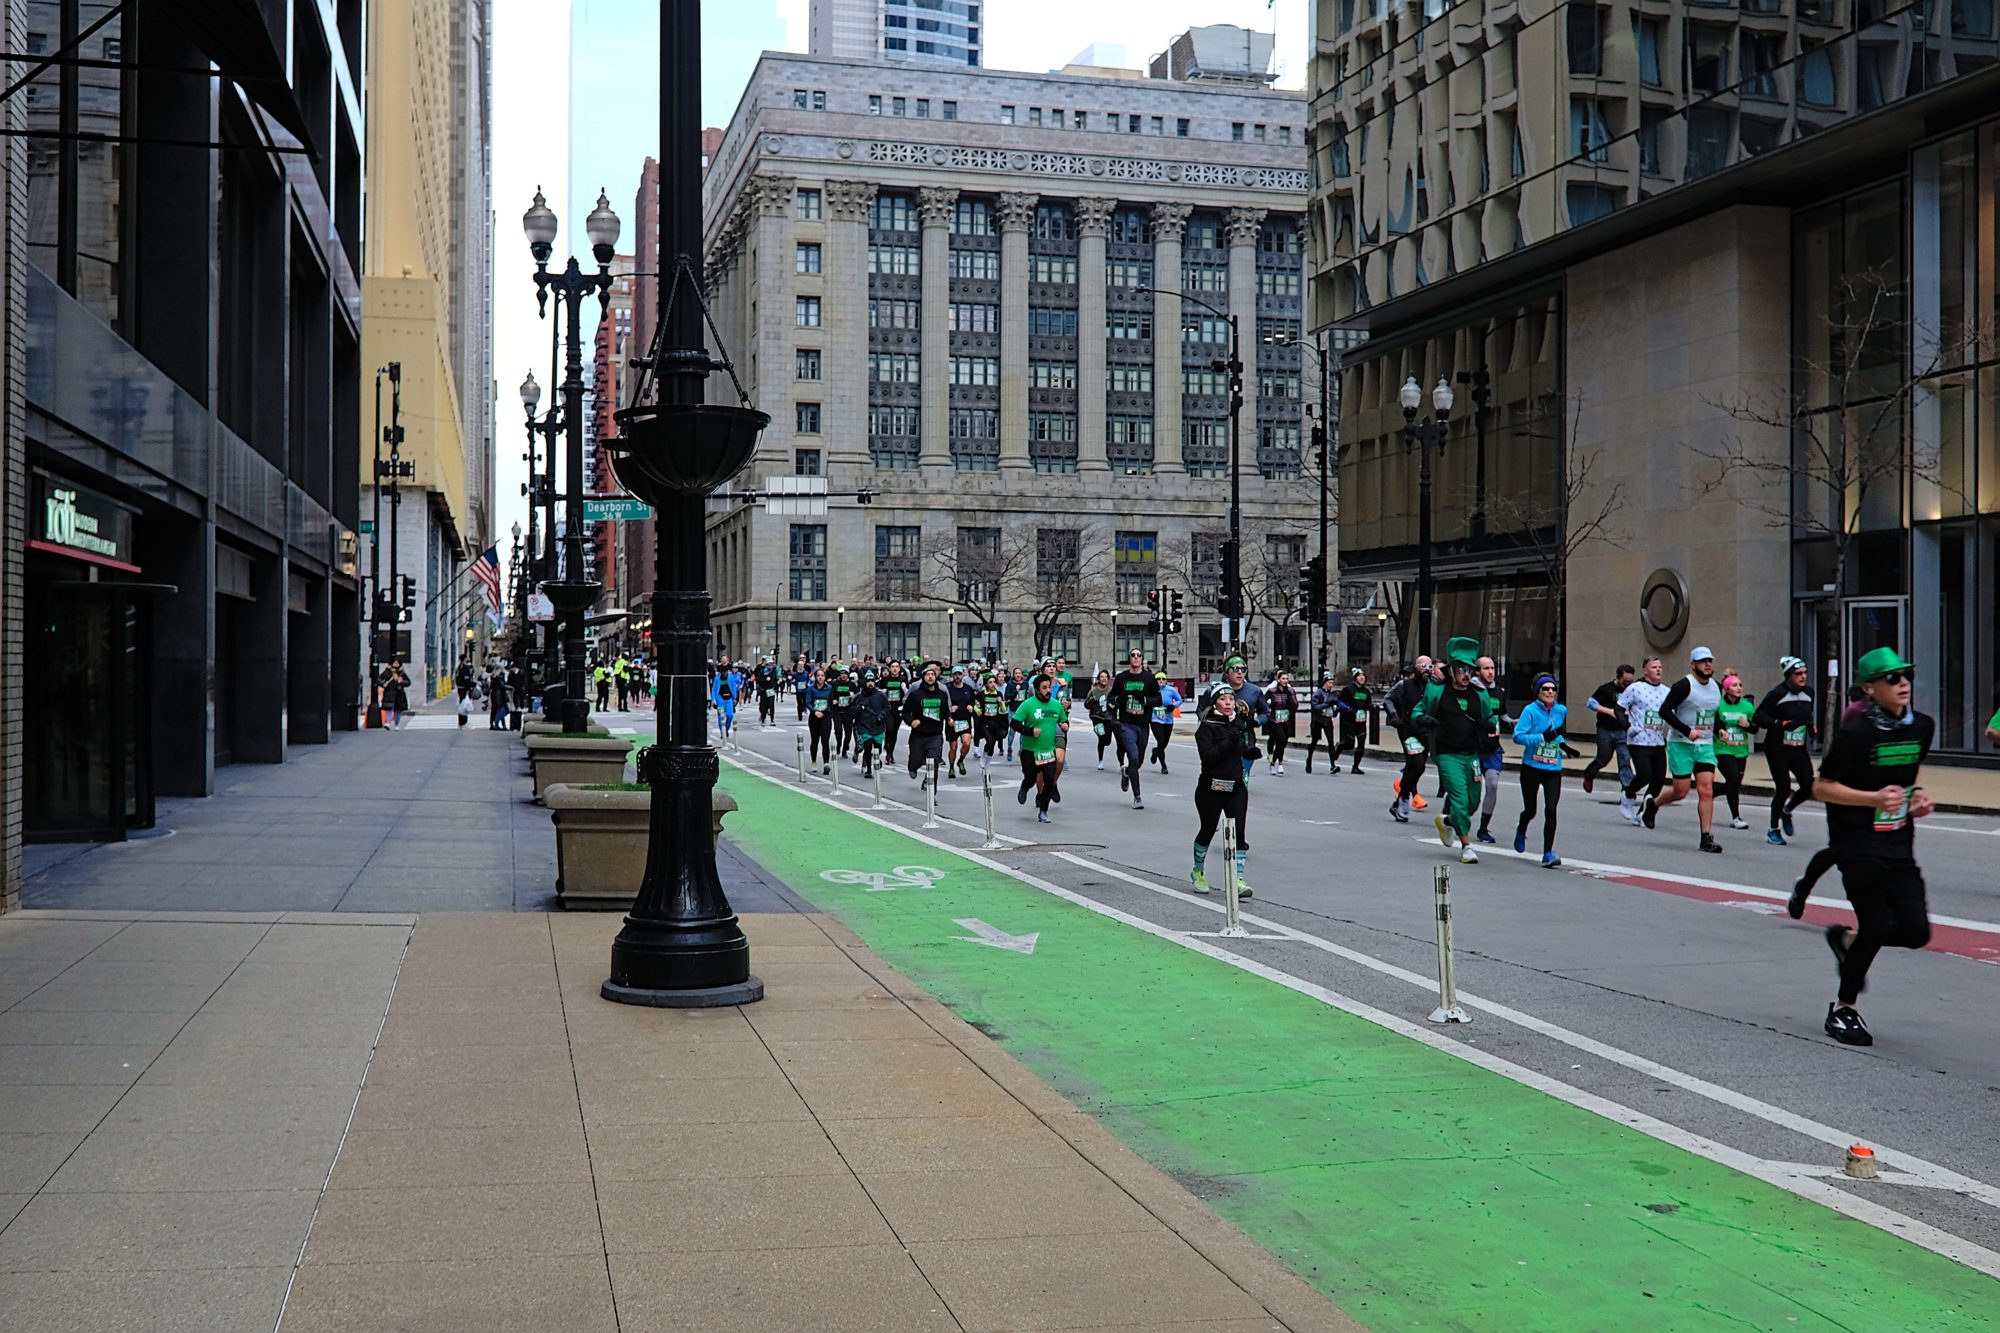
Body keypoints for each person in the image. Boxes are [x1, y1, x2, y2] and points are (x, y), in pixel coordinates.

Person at [1812, 647, 1935, 1047]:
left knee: (1916, 930)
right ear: (1870, 688)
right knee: (1878, 923)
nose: (1903, 684)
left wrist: (1918, 801)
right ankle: (1843, 1008)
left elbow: (1907, 781)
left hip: (1898, 839)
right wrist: (1871, 799)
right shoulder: (1856, 733)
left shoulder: (1922, 727)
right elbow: (1820, 787)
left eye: (1906, 676)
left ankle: (1846, 942)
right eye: (1892, 678)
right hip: (1855, 840)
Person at [1410, 638, 1491, 863]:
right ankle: (1466, 846)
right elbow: (1416, 713)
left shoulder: (1479, 694)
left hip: (1471, 754)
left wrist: (1489, 725)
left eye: (1470, 670)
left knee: (1473, 801)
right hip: (1447, 754)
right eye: (1462, 669)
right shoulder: (1437, 692)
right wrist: (1424, 719)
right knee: (1460, 799)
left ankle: (1447, 822)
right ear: (1452, 671)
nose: (1466, 674)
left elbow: (1488, 717)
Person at [1648, 646, 1725, 852]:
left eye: (1709, 661)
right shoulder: (1684, 685)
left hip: (1705, 745)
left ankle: (1706, 837)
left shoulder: (1717, 687)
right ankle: (1653, 805)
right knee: (1680, 791)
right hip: (1681, 744)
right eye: (1702, 661)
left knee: (1706, 790)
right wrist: (1686, 730)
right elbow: (1664, 711)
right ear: (1693, 665)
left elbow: (1712, 713)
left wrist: (1720, 730)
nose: (1707, 665)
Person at [1189, 685, 1259, 896]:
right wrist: (1231, 739)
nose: (1229, 703)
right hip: (1211, 788)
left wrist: (1250, 751)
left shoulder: (1238, 723)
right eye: (1223, 699)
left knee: (1239, 832)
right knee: (1208, 830)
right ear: (1215, 703)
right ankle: (1198, 871)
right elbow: (1209, 757)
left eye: (1231, 699)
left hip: (1236, 787)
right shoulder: (1206, 728)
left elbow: (1238, 748)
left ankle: (1238, 879)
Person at [1753, 656, 1819, 845]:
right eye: (1798, 674)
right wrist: (1780, 724)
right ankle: (1773, 829)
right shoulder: (1777, 694)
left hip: (1798, 748)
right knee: (1783, 788)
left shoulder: (1809, 693)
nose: (1803, 677)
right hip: (1777, 748)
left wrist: (1811, 728)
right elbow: (1758, 717)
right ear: (1789, 675)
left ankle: (1787, 811)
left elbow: (1807, 715)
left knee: (1809, 785)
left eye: (1805, 673)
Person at [1512, 674, 1570, 866]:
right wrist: (1541, 737)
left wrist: (1564, 747)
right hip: (1531, 767)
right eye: (1545, 689)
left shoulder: (1561, 710)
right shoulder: (1530, 711)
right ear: (1538, 692)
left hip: (1553, 768)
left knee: (1551, 809)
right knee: (1531, 810)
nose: (1550, 692)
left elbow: (1557, 734)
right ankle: (1522, 828)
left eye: (1553, 688)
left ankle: (1548, 854)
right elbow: (1518, 737)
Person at [1617, 658, 1671, 825]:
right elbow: (1619, 708)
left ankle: (1643, 813)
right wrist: (1627, 726)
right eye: (1654, 667)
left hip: (1658, 741)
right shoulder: (1635, 689)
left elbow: (1673, 713)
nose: (1658, 670)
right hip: (1638, 739)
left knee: (1659, 778)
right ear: (1645, 671)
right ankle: (1628, 793)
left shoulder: (1666, 691)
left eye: (1660, 667)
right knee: (1645, 774)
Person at [1010, 671, 1068, 823]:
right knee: (1030, 778)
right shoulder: (1028, 705)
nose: (1048, 691)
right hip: (1030, 751)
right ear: (1036, 690)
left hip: (1048, 750)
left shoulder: (1056, 705)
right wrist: (1029, 731)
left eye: (1049, 687)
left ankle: (1043, 811)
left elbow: (1064, 719)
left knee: (1049, 780)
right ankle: (1025, 786)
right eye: (1044, 688)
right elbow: (1014, 723)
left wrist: (1065, 725)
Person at [1109, 649, 1162, 809]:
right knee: (1132, 756)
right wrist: (1121, 698)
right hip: (1127, 723)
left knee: (1138, 761)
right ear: (1129, 659)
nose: (1136, 658)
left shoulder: (1149, 678)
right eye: (1133, 655)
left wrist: (1144, 700)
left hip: (1143, 724)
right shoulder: (1122, 678)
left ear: (1142, 659)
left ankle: (1127, 773)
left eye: (1139, 655)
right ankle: (1137, 797)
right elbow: (1111, 698)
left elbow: (1158, 699)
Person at [1384, 658, 1435, 822]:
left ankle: (1398, 800)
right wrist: (1394, 715)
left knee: (1417, 767)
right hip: (1407, 730)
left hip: (1425, 731)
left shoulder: (1433, 687)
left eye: (1430, 667)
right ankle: (1404, 801)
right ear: (1416, 668)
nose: (1427, 671)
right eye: (1423, 667)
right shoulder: (1404, 685)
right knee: (1417, 762)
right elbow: (1388, 699)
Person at [1472, 656, 1513, 845]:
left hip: (1493, 747)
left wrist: (1513, 722)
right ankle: (1450, 814)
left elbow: (1503, 716)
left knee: (1493, 785)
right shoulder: (1471, 691)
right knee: (1466, 789)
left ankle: (1483, 828)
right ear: (1477, 671)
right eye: (1486, 668)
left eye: (1492, 668)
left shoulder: (1499, 692)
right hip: (1472, 747)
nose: (1490, 672)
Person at [1580, 664, 1635, 797]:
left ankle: (1627, 790)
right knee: (1603, 758)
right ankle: (1589, 774)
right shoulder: (1606, 689)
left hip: (1622, 730)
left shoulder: (1632, 690)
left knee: (1624, 758)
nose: (1627, 684)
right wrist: (1609, 711)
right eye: (1625, 681)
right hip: (1606, 730)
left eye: (1630, 681)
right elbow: (1591, 703)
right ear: (1618, 677)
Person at [1714, 672, 1756, 830]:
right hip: (1722, 749)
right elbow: (1714, 724)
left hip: (1741, 749)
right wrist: (1720, 730)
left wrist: (1748, 725)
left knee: (1735, 783)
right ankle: (1736, 817)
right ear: (1726, 689)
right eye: (1734, 685)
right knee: (1732, 779)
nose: (1738, 688)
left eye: (1740, 685)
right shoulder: (1719, 706)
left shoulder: (1747, 706)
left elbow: (1755, 728)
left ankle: (1711, 792)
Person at [903, 661, 951, 781]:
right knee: (916, 761)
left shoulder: (942, 694)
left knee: (933, 762)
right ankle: (913, 767)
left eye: (932, 675)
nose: (930, 677)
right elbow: (905, 712)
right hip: (918, 734)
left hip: (935, 734)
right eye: (928, 675)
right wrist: (911, 721)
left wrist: (949, 719)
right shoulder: (915, 694)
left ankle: (931, 790)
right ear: (923, 677)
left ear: (936, 677)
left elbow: (945, 711)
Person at [852, 674, 893, 777]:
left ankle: (876, 757)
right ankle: (869, 769)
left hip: (878, 725)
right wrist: (859, 709)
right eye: (868, 681)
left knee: (878, 748)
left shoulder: (881, 695)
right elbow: (852, 710)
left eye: (872, 681)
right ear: (865, 683)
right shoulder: (860, 696)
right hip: (864, 725)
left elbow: (887, 707)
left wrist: (881, 716)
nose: (870, 683)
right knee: (868, 747)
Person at [1333, 668, 1371, 775]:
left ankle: (1355, 767)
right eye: (1359, 676)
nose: (1362, 678)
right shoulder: (1348, 690)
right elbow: (1339, 701)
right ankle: (1339, 747)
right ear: (1355, 678)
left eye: (1363, 676)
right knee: (1349, 744)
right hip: (1349, 721)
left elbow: (1368, 703)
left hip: (1361, 722)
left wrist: (1371, 707)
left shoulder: (1366, 691)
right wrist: (1348, 709)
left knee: (1361, 744)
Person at [1263, 669, 1298, 776]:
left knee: (1282, 743)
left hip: (1286, 720)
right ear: (1278, 679)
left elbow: (1295, 705)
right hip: (1275, 720)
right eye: (1283, 678)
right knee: (1280, 739)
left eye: (1287, 679)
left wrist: (1291, 695)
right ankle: (1276, 763)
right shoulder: (1272, 691)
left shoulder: (1290, 691)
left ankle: (1276, 762)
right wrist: (1269, 708)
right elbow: (1263, 702)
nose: (1285, 681)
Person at [945, 665, 978, 778]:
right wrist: (949, 712)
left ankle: (961, 760)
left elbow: (974, 701)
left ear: (963, 675)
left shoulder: (968, 688)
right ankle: (951, 767)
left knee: (967, 743)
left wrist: (972, 707)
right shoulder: (948, 689)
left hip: (965, 721)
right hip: (952, 722)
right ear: (952, 676)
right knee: (953, 747)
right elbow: (943, 704)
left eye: (959, 674)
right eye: (955, 674)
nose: (957, 676)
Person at [1304, 671, 1339, 774]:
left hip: (1327, 720)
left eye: (1332, 683)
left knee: (1331, 742)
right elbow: (1315, 707)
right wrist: (1326, 704)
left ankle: (1333, 765)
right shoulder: (1318, 693)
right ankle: (1309, 759)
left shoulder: (1331, 694)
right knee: (1314, 741)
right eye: (1329, 683)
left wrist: (1336, 709)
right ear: (1325, 682)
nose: (1331, 685)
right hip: (1317, 720)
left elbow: (1334, 707)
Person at [1086, 669, 1119, 770]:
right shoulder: (1093, 690)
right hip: (1097, 717)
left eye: (1105, 677)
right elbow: (1086, 705)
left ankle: (1104, 739)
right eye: (1102, 677)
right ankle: (1100, 760)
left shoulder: (1111, 690)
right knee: (1101, 737)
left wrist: (1114, 705)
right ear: (1098, 679)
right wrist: (1091, 701)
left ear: (1108, 679)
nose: (1104, 679)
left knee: (1107, 741)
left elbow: (1117, 702)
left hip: (1108, 717)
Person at [1149, 672, 1181, 775]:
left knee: (1164, 744)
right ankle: (1164, 766)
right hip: (1155, 719)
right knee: (1161, 741)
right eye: (1158, 679)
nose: (1161, 681)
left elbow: (1180, 699)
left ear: (1166, 680)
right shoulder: (1151, 690)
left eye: (1163, 679)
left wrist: (1173, 705)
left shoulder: (1170, 690)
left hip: (1168, 720)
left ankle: (1156, 751)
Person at [804, 667, 833, 773]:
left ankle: (826, 763)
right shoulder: (811, 688)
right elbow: (808, 702)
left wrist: (826, 712)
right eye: (818, 676)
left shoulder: (829, 688)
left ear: (825, 677)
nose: (820, 678)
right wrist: (815, 711)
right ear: (815, 677)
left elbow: (831, 702)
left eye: (822, 676)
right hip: (814, 717)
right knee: (815, 740)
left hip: (825, 716)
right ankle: (814, 761)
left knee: (825, 740)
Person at [880, 660, 908, 762]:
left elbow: (907, 694)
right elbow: (878, 690)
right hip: (888, 708)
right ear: (890, 668)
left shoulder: (903, 679)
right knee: (889, 729)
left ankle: (890, 752)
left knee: (894, 732)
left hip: (898, 709)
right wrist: (883, 692)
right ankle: (888, 751)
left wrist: (904, 689)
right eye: (893, 666)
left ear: (899, 668)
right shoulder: (885, 679)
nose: (895, 668)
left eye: (897, 666)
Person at [792, 657, 812, 722]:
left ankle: (804, 708)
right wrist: (794, 682)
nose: (801, 666)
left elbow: (809, 681)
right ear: (797, 666)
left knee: (806, 702)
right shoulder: (795, 674)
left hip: (805, 690)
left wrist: (808, 684)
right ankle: (800, 716)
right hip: (798, 691)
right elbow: (793, 681)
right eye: (799, 665)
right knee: (799, 703)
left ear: (803, 666)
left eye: (802, 665)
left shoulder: (806, 673)